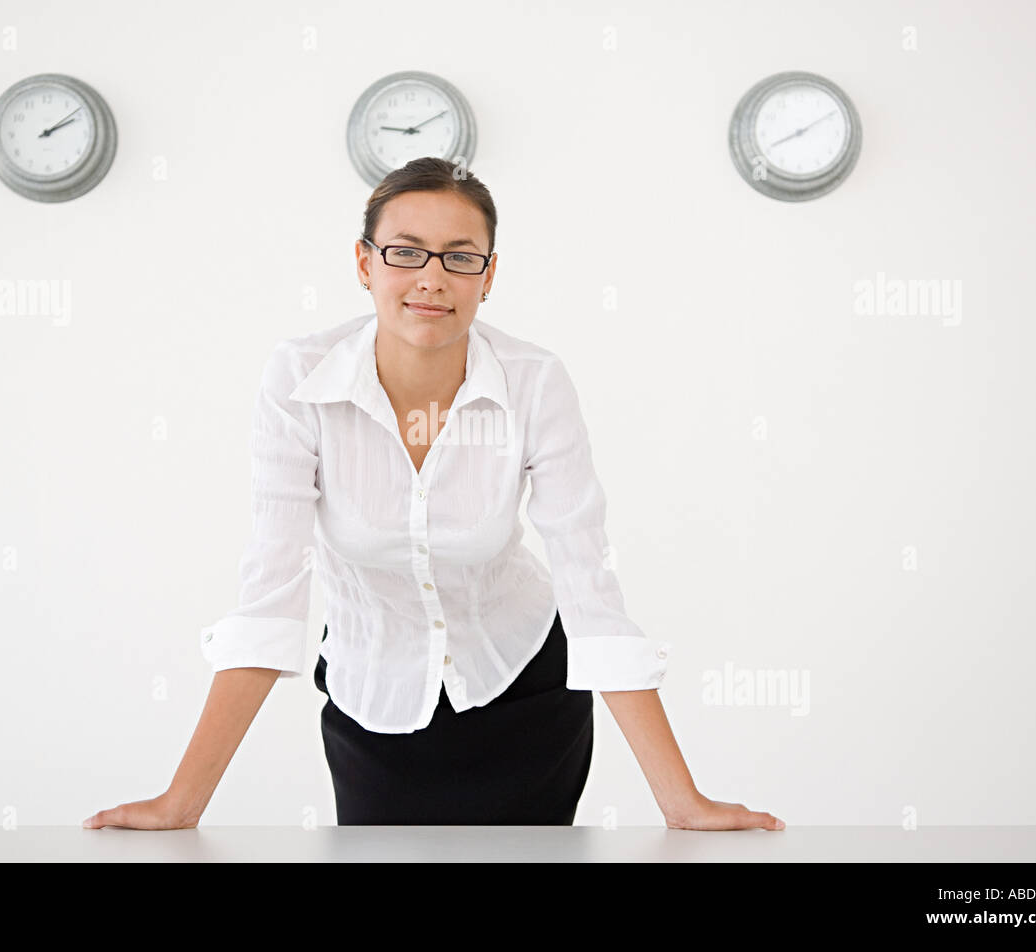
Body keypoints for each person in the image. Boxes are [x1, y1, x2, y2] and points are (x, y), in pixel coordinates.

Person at [83, 157, 784, 831]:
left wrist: (681, 802)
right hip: (373, 701)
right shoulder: (300, 378)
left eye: (459, 256)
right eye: (406, 252)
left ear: (489, 275)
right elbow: (271, 595)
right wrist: (182, 803)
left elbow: (590, 592)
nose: (432, 279)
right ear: (364, 264)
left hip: (523, 694)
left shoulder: (534, 381)